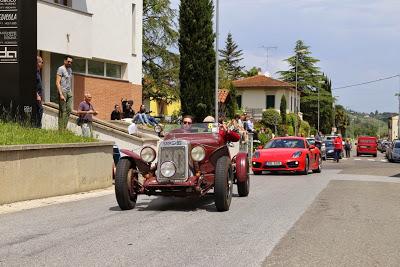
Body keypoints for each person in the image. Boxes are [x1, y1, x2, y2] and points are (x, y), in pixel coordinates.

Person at [56, 55, 73, 130]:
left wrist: (70, 91)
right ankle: (61, 129)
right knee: (63, 111)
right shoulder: (61, 69)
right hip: (63, 91)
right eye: (68, 61)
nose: (69, 63)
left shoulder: (70, 70)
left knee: (69, 109)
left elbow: (69, 81)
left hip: (69, 92)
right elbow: (57, 82)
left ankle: (64, 127)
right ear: (65, 61)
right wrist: (60, 94)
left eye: (71, 62)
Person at [35, 56, 44, 128]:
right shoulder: (34, 72)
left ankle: (38, 126)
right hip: (37, 96)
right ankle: (37, 126)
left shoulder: (38, 71)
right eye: (41, 62)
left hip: (39, 96)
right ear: (37, 63)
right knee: (40, 110)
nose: (42, 64)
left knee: (39, 110)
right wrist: (37, 95)